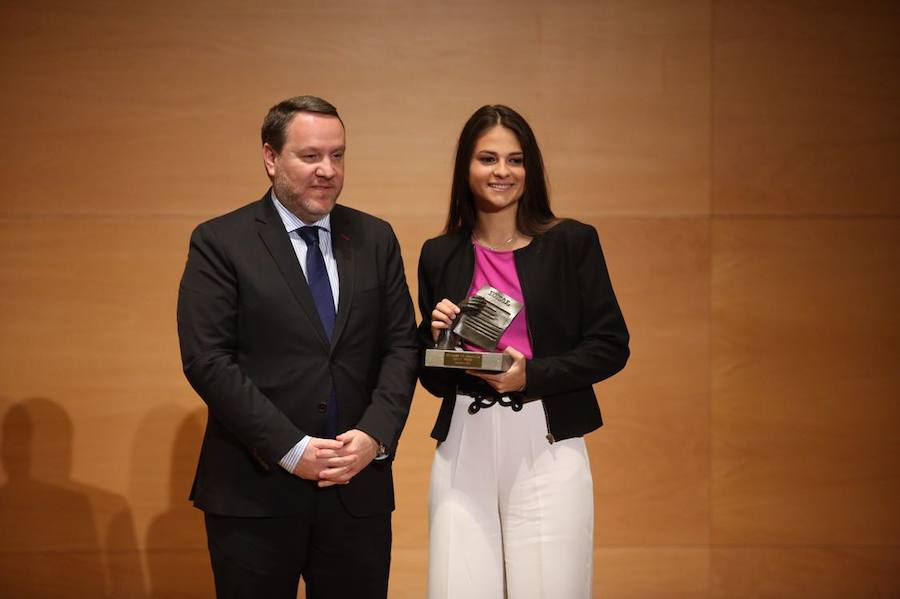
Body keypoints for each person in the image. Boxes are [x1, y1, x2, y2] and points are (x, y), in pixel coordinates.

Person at [177, 95, 418, 599]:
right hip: (254, 491)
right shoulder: (221, 241)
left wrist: (374, 435)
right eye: (310, 156)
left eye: (338, 155)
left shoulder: (375, 237)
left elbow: (401, 346)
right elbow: (208, 360)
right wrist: (292, 449)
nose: (327, 170)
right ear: (271, 158)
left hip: (358, 490)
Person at [417, 104, 630, 598]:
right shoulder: (439, 253)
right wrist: (433, 336)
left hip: (548, 441)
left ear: (530, 169)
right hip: (463, 441)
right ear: (466, 169)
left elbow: (611, 345)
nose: (502, 172)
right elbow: (432, 378)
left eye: (515, 160)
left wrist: (530, 375)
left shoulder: (572, 242)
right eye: (488, 158)